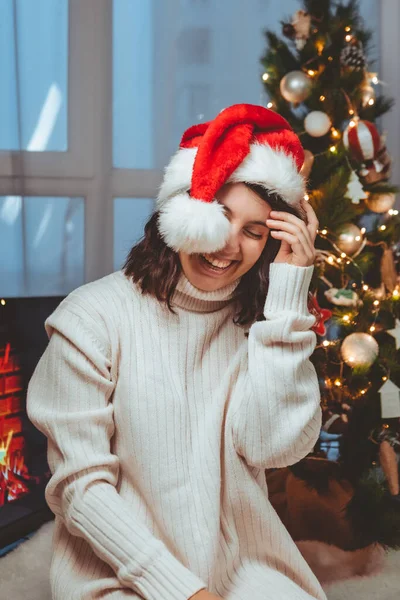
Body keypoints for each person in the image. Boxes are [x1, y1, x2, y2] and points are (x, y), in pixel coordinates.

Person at [27, 104, 326, 600]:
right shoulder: (91, 317)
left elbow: (274, 448)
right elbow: (82, 492)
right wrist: (182, 591)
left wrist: (289, 297)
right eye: (220, 215)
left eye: (254, 231)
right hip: (118, 572)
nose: (228, 245)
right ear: (180, 210)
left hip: (239, 565)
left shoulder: (261, 327)